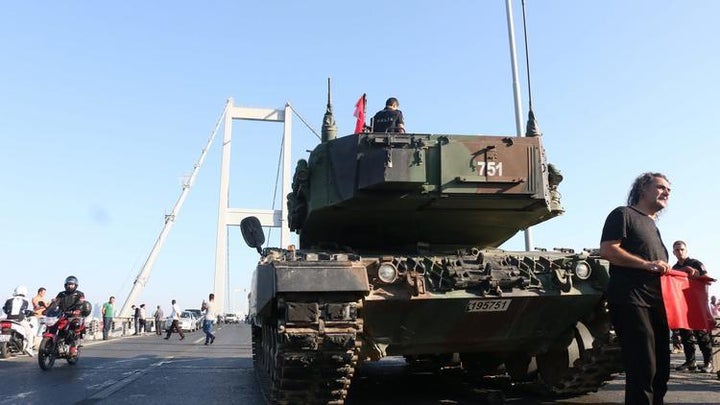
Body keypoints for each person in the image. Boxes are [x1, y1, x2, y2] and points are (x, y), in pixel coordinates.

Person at [600, 172, 672, 405]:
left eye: (669, 190)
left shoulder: (652, 225)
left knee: (661, 368)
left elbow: (658, 268)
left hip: (657, 304)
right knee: (643, 367)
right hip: (631, 300)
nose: (667, 192)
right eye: (660, 187)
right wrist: (647, 264)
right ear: (643, 189)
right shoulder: (623, 214)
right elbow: (609, 250)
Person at [671, 240, 713, 373]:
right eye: (677, 250)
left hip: (696, 304)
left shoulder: (696, 263)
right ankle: (691, 361)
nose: (680, 252)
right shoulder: (674, 268)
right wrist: (684, 271)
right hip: (682, 305)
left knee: (701, 334)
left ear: (686, 250)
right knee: (685, 335)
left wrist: (696, 274)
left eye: (682, 249)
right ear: (673, 252)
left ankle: (708, 362)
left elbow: (706, 279)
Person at [47, 275, 87, 357]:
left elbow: (80, 303)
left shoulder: (79, 294)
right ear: (65, 285)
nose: (70, 286)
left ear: (75, 285)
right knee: (52, 325)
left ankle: (73, 346)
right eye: (68, 284)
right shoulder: (61, 294)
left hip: (74, 315)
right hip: (62, 314)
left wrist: (77, 310)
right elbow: (55, 302)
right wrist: (48, 309)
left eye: (72, 284)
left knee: (75, 325)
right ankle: (52, 343)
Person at [2, 285, 35, 356]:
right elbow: (24, 310)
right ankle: (29, 348)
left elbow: (4, 309)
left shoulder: (8, 298)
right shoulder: (25, 300)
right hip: (19, 319)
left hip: (8, 318)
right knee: (29, 333)